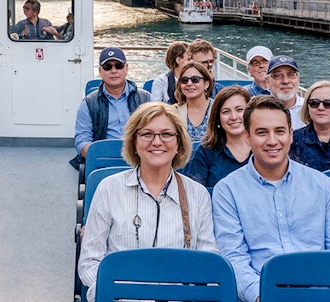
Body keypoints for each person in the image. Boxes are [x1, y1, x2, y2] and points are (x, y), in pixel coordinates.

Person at [212, 95, 330, 302]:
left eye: (279, 131)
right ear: (247, 137)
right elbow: (234, 259)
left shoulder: (321, 185)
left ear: (290, 134)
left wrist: (328, 291)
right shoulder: (227, 191)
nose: (272, 141)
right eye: (261, 132)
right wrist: (261, 296)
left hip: (321, 293)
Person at [77, 103, 217, 302]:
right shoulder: (108, 189)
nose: (157, 142)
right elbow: (90, 261)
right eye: (147, 134)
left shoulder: (197, 195)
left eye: (167, 134)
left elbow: (207, 262)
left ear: (179, 143)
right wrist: (112, 295)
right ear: (134, 141)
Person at [73, 47, 151, 166]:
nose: (113, 71)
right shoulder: (88, 104)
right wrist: (99, 154)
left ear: (126, 68)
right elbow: (82, 140)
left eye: (118, 65)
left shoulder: (146, 99)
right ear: (100, 71)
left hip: (141, 159)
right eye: (107, 67)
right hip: (105, 160)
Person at [181, 85, 252, 191]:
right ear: (218, 118)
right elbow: (195, 194)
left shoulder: (264, 148)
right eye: (226, 112)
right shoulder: (205, 152)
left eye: (239, 110)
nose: (233, 117)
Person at [173, 61, 213, 144]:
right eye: (184, 80)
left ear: (206, 84)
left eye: (195, 80)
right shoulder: (173, 112)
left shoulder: (218, 109)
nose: (189, 83)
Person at [266, 55, 306, 130]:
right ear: (267, 81)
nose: (286, 81)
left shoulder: (310, 109)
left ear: (298, 79)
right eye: (277, 75)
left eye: (291, 75)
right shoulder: (258, 111)